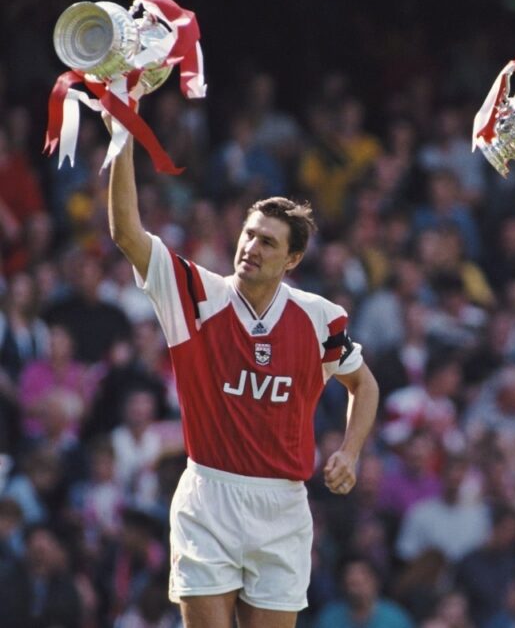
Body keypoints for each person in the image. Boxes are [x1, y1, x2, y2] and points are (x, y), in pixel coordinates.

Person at [106, 125, 380, 628]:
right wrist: (123, 138)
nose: (252, 245)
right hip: (209, 496)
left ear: (292, 259)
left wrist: (351, 449)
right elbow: (127, 233)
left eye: (268, 242)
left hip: (283, 507)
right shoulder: (194, 293)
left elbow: (364, 384)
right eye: (249, 233)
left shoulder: (322, 317)